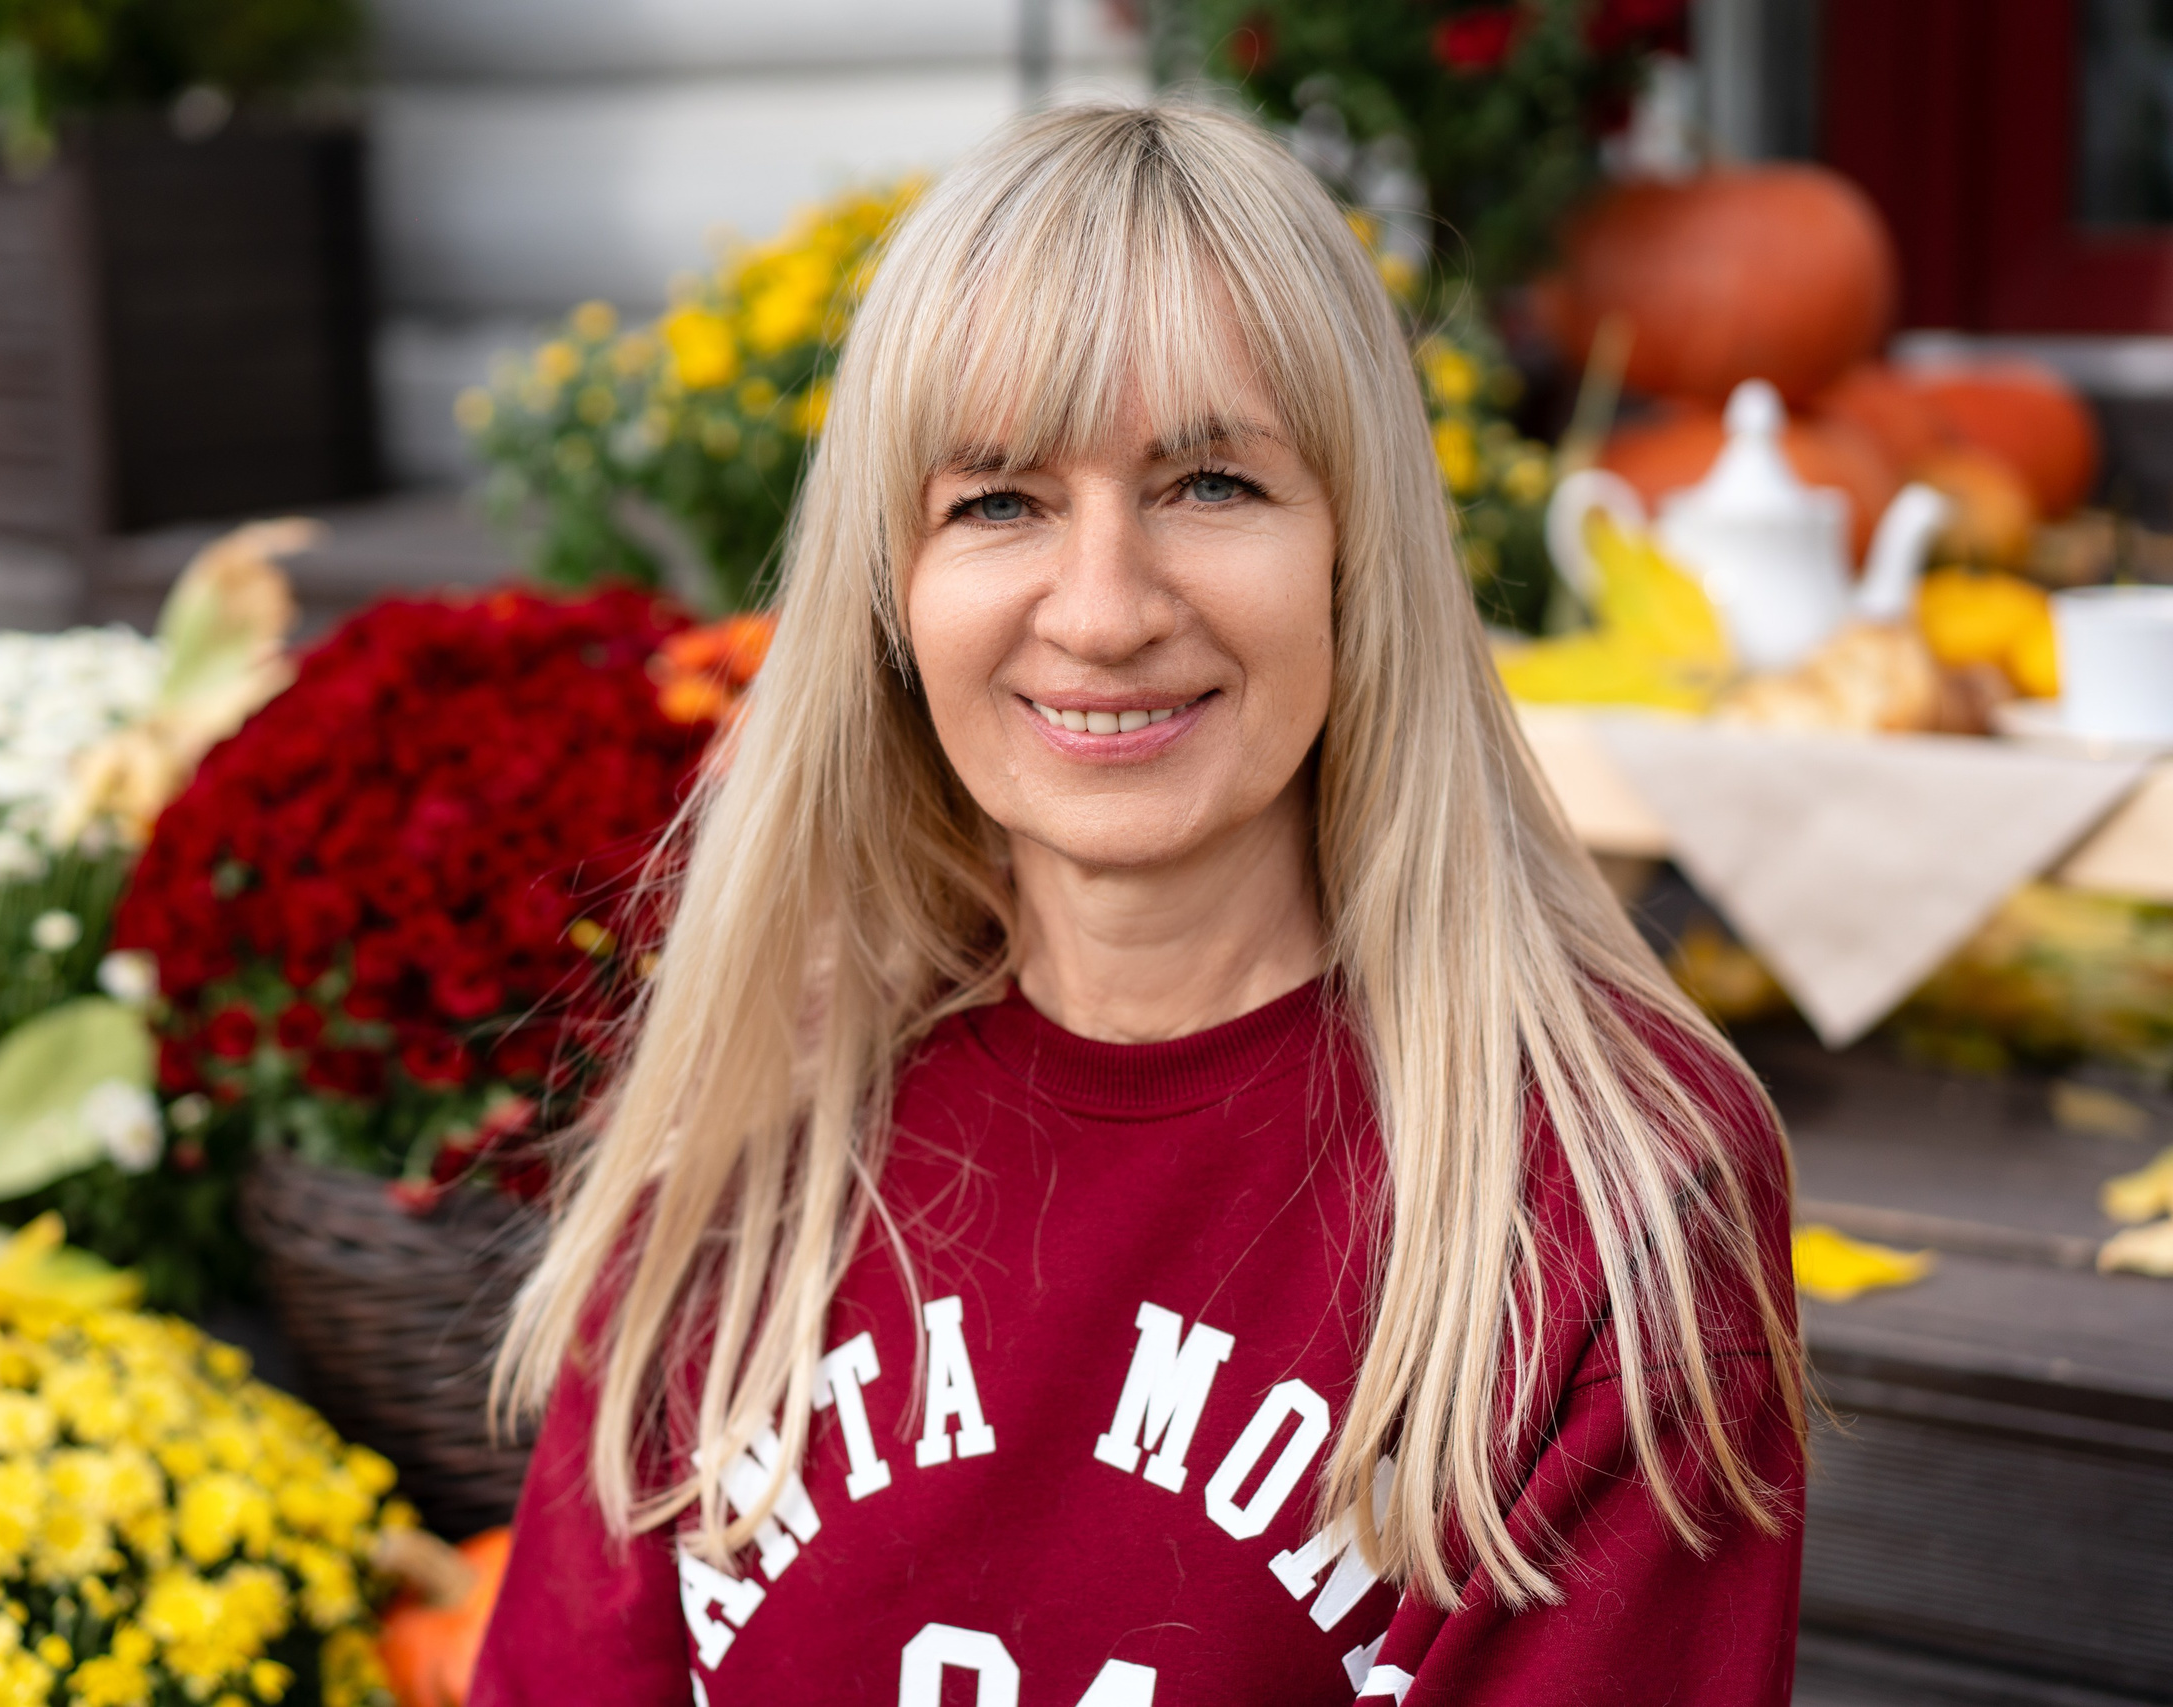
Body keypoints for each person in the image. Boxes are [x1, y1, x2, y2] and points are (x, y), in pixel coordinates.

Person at [466, 101, 1804, 1706]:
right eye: (999, 502)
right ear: (889, 598)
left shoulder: (1603, 1194)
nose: (1101, 614)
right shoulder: (755, 1134)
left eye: (1214, 485)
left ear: (1354, 553)